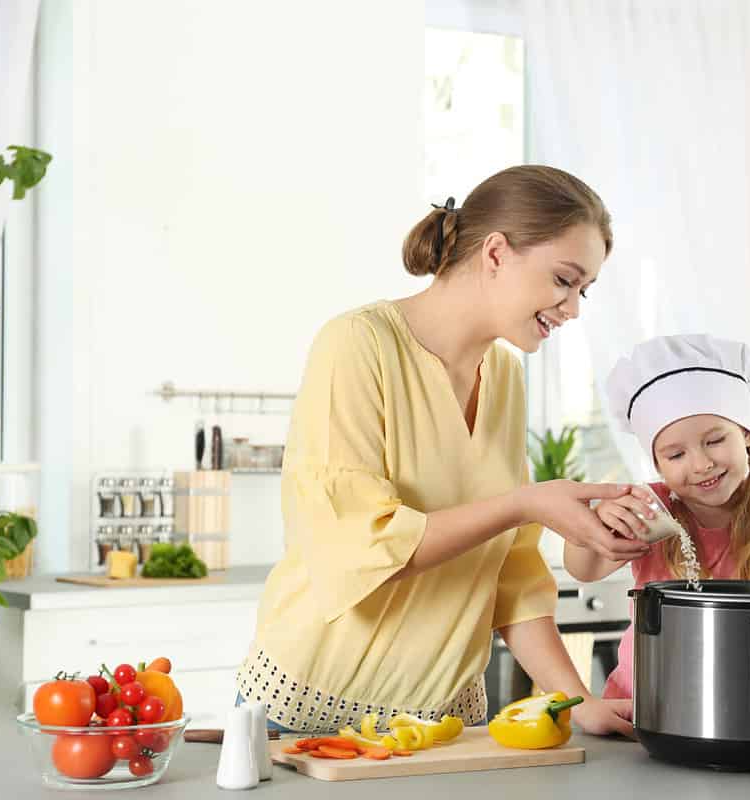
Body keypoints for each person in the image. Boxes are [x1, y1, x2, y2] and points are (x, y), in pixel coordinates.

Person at [235, 166, 638, 736]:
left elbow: (513, 575)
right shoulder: (357, 345)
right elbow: (362, 545)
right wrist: (524, 503)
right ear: (496, 253)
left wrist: (576, 702)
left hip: (446, 725)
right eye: (564, 280)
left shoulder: (503, 376)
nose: (572, 308)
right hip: (308, 714)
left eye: (583, 291)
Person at [561, 334, 750, 699]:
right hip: (644, 699)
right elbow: (583, 569)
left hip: (742, 697)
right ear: (658, 465)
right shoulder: (650, 508)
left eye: (714, 441)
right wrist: (593, 523)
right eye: (676, 455)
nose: (701, 464)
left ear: (746, 435)